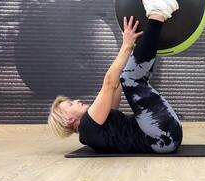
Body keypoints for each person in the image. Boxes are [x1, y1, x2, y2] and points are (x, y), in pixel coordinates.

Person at [48, 0, 183, 154]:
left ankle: (156, 21)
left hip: (164, 134)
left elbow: (115, 84)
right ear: (68, 120)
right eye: (71, 104)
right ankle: (158, 13)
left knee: (128, 76)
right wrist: (125, 46)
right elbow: (109, 84)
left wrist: (131, 49)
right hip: (162, 137)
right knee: (130, 78)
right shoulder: (87, 127)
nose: (76, 101)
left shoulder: (94, 128)